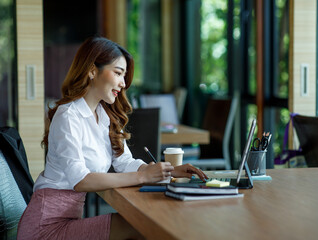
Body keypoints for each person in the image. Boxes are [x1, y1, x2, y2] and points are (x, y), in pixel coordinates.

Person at [17, 36, 207, 240]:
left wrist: (167, 171)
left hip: (68, 221)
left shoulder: (104, 116)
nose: (123, 84)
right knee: (140, 227)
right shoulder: (68, 115)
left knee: (143, 225)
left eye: (124, 76)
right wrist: (143, 176)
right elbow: (80, 180)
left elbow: (124, 162)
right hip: (44, 227)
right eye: (118, 73)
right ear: (91, 71)